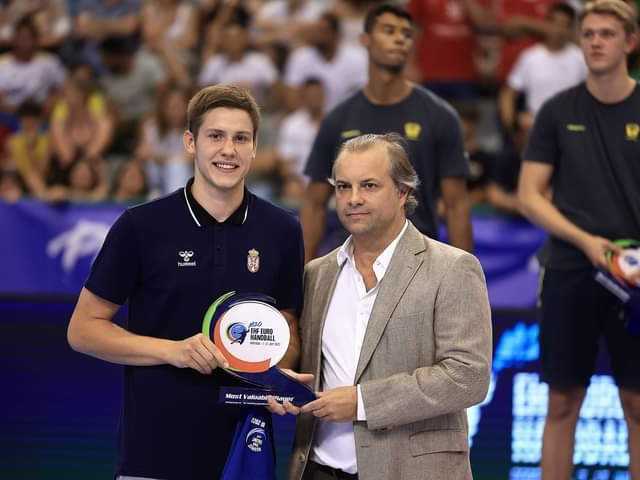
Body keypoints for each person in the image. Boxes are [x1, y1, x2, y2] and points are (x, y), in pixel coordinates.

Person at [67, 84, 304, 480]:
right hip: (154, 452)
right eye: (216, 136)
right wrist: (172, 351)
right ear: (190, 142)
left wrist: (278, 376)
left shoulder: (283, 230)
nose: (228, 150)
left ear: (254, 148)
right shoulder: (140, 226)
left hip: (244, 452)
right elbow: (82, 330)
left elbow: (287, 325)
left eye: (240, 138)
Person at [269, 133, 492, 480]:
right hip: (318, 469)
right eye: (343, 187)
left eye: (369, 185)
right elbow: (306, 365)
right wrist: (280, 383)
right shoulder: (317, 273)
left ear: (403, 192)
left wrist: (362, 402)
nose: (353, 199)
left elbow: (467, 377)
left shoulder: (452, 268)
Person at [517, 1, 640, 478]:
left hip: (636, 274)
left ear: (630, 42)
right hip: (570, 268)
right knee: (562, 401)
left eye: (607, 33)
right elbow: (530, 194)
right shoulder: (557, 110)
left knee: (637, 402)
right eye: (588, 33)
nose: (595, 42)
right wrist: (587, 242)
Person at [300, 3, 472, 263]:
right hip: (352, 261)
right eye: (389, 31)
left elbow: (456, 205)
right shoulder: (337, 118)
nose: (400, 39)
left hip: (418, 262)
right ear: (365, 40)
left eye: (406, 34)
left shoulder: (440, 116)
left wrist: (466, 276)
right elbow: (314, 204)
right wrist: (301, 274)